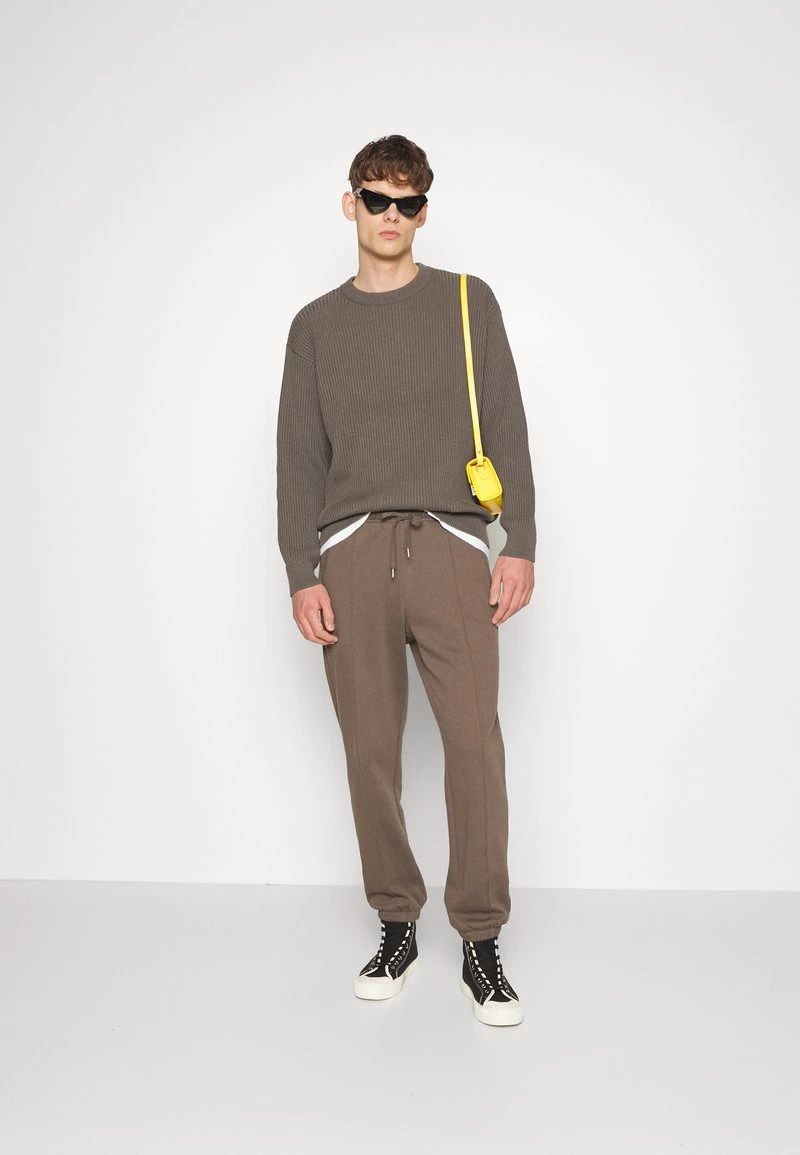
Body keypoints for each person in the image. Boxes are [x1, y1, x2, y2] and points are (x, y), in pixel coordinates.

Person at [276, 134, 537, 1027]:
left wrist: (520, 540)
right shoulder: (315, 326)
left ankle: (481, 935)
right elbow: (298, 458)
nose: (392, 215)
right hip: (351, 553)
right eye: (377, 198)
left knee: (474, 745)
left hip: (452, 546)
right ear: (349, 203)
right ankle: (397, 920)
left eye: (409, 202)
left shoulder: (467, 302)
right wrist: (301, 569)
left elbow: (507, 421)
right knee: (369, 749)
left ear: (425, 211)